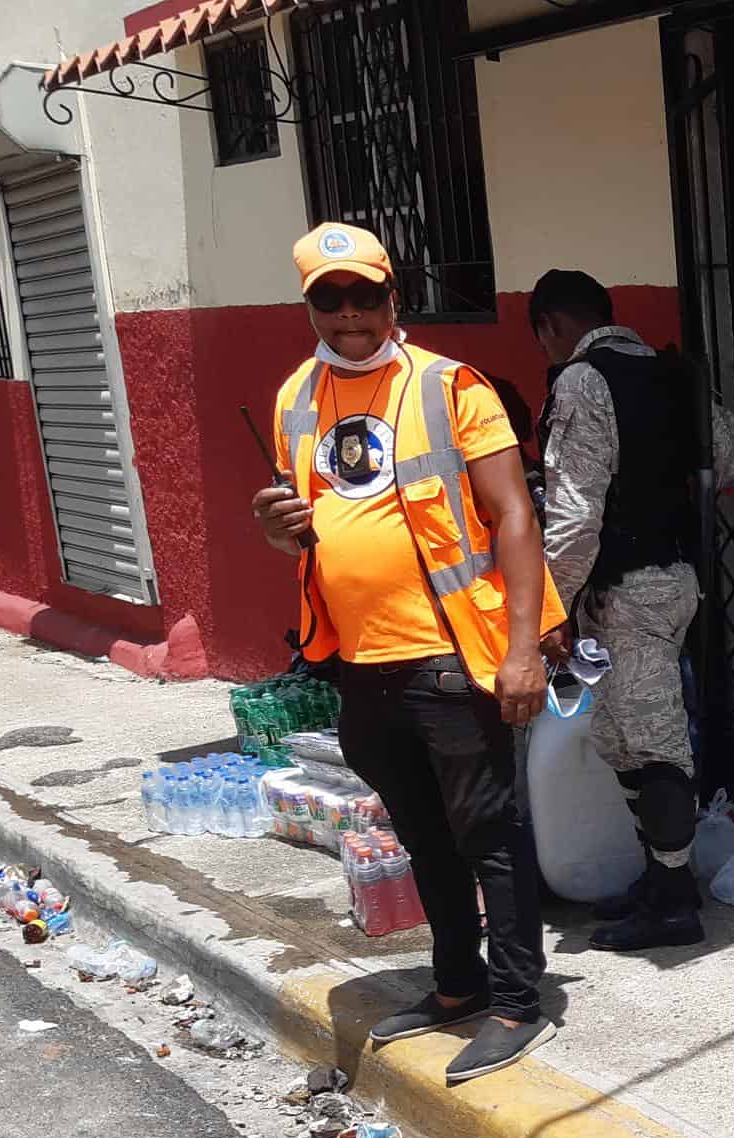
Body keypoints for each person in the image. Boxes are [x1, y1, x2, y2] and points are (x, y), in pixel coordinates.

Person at [253, 223, 568, 1084]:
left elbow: (513, 516)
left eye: (365, 296)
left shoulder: (448, 387)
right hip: (359, 663)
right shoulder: (294, 400)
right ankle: (458, 987)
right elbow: (311, 526)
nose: (350, 314)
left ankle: (514, 1002)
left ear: (394, 298)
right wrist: (276, 531)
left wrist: (522, 649)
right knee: (424, 837)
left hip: (450, 656)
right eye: (330, 299)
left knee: (487, 834)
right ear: (311, 307)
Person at [530, 269, 711, 950]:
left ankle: (674, 903)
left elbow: (575, 517)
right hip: (665, 580)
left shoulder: (581, 381)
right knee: (618, 737)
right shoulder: (672, 375)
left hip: (629, 590)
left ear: (550, 325)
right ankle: (659, 878)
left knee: (654, 740)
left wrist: (551, 605)